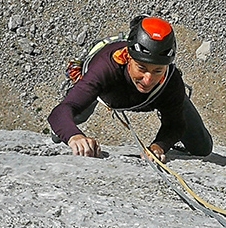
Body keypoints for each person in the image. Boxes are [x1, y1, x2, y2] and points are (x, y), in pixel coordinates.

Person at [48, 15, 213, 161]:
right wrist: (74, 137)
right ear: (128, 58)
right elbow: (62, 110)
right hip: (106, 91)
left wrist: (159, 146)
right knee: (62, 131)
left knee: (202, 148)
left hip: (152, 95)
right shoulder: (105, 68)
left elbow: (174, 124)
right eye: (141, 68)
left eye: (157, 71)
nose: (148, 80)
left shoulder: (171, 80)